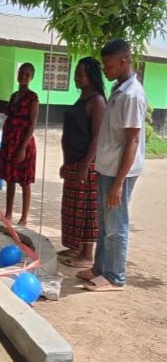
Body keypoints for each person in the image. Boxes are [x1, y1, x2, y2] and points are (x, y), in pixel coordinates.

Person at [77, 39, 147, 291]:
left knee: (116, 225)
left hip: (120, 172)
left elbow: (133, 141)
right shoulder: (119, 89)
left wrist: (119, 183)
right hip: (107, 168)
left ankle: (115, 277)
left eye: (107, 65)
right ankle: (100, 269)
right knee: (105, 222)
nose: (104, 70)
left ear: (123, 61)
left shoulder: (132, 95)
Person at [59, 57, 106, 267]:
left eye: (81, 74)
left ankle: (86, 255)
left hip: (86, 164)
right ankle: (75, 246)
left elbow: (97, 137)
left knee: (86, 210)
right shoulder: (82, 98)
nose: (77, 77)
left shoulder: (96, 101)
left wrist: (85, 167)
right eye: (76, 73)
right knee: (71, 208)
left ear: (92, 76)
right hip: (73, 162)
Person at [0, 63, 39, 226]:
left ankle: (23, 217)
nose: (23, 76)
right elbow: (7, 118)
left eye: (27, 74)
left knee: (24, 181)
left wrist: (22, 148)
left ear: (31, 77)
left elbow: (32, 123)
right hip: (10, 141)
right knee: (10, 179)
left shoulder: (33, 97)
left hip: (24, 143)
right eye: (21, 73)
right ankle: (8, 213)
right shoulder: (14, 95)